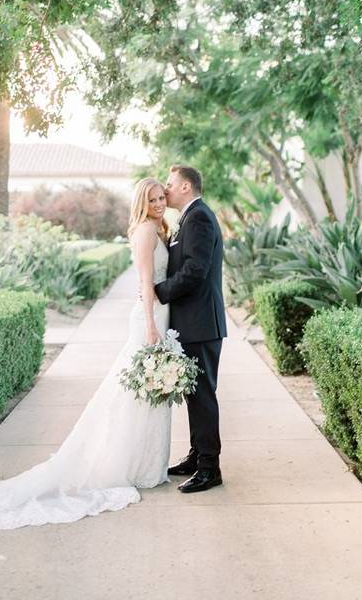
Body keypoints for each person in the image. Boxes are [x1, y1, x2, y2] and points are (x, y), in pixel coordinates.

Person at [0, 178, 173, 529]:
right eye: (152, 199)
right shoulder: (147, 231)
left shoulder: (154, 227)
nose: (159, 203)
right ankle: (136, 464)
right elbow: (145, 282)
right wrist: (151, 325)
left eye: (161, 197)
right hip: (150, 317)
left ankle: (145, 462)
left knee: (145, 390)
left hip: (159, 316)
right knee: (138, 390)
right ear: (141, 202)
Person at [155, 164, 228, 494]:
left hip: (201, 322)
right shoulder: (187, 217)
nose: (165, 190)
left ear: (186, 187)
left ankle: (210, 468)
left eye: (170, 184)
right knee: (193, 394)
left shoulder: (198, 217)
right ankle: (197, 456)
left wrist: (160, 292)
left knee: (202, 396)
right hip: (191, 322)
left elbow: (195, 270)